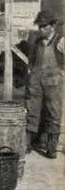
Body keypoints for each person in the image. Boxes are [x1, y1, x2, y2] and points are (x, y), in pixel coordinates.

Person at [25, 10, 63, 159]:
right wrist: (30, 74)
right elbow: (31, 62)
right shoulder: (37, 42)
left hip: (53, 83)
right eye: (39, 26)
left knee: (53, 113)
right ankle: (28, 143)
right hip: (35, 82)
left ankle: (51, 147)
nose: (41, 29)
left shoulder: (60, 41)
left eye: (44, 26)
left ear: (53, 26)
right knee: (31, 111)